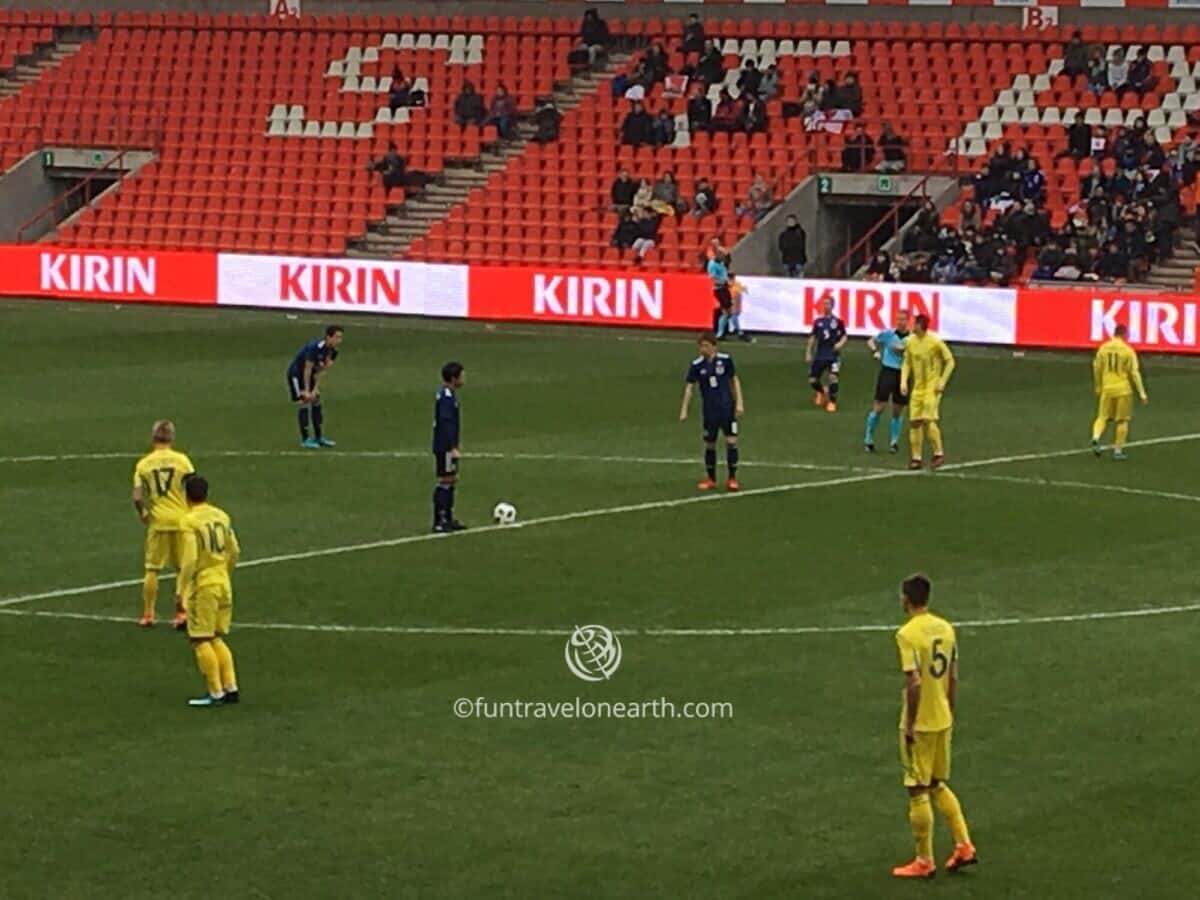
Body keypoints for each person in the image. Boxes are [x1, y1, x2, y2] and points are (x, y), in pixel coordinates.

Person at [890, 573, 977, 879]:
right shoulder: (946, 629)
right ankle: (964, 844)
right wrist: (948, 711)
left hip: (922, 724)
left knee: (917, 789)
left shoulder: (907, 635)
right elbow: (953, 676)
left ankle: (924, 860)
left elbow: (913, 682)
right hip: (943, 719)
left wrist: (911, 723)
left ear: (906, 599)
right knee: (937, 783)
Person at [175, 475, 240, 707]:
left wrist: (181, 589)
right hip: (223, 581)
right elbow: (235, 550)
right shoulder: (222, 516)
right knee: (216, 637)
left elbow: (190, 559)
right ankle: (231, 687)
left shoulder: (189, 521)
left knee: (200, 639)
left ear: (186, 495)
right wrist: (224, 572)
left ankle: (215, 692)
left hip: (204, 585)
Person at [132, 419, 195, 628]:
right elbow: (192, 488)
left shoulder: (143, 464)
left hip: (158, 522)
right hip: (181, 521)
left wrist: (143, 513)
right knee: (181, 568)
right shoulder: (183, 461)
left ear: (153, 438)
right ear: (172, 438)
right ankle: (181, 613)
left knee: (152, 569)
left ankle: (148, 614)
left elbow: (137, 496)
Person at [679, 331, 744, 492]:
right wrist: (684, 409)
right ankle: (711, 478)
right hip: (709, 410)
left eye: (706, 346)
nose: (703, 349)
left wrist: (739, 403)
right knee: (710, 444)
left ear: (714, 346)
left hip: (727, 408)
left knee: (731, 442)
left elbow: (734, 380)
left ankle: (732, 478)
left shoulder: (726, 360)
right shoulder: (696, 365)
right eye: (701, 346)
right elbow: (689, 387)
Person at [900, 314, 955, 470]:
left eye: (914, 323)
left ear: (920, 325)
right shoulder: (911, 342)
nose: (911, 326)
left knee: (928, 419)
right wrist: (903, 381)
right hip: (917, 388)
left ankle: (938, 453)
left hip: (932, 387)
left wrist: (942, 380)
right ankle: (916, 458)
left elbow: (950, 361)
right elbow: (907, 363)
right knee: (914, 422)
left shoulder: (935, 342)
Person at [1091, 323, 1149, 460]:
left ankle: (1095, 437)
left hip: (1107, 388)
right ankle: (1118, 451)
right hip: (1123, 389)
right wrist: (1142, 393)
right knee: (1122, 420)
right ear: (1124, 334)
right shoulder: (1128, 351)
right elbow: (1134, 373)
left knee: (1102, 416)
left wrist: (1098, 385)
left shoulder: (1103, 348)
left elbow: (1096, 368)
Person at [287, 325, 344, 449]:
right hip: (297, 374)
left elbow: (321, 371)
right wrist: (307, 391)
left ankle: (319, 437)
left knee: (316, 399)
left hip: (312, 374)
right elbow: (307, 369)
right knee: (304, 400)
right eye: (337, 337)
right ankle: (305, 439)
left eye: (340, 337)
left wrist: (315, 388)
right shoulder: (315, 348)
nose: (339, 340)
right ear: (328, 337)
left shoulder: (333, 352)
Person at [864, 309, 910, 453]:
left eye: (903, 319)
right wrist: (875, 351)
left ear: (908, 321)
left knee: (897, 410)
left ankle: (894, 442)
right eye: (898, 319)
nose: (900, 322)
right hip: (888, 371)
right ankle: (868, 438)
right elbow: (871, 341)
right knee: (879, 407)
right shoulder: (888, 334)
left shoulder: (912, 339)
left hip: (903, 374)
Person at [433, 361, 467, 533]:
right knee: (445, 481)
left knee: (451, 479)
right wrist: (452, 447)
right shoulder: (446, 397)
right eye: (461, 375)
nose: (464, 378)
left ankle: (448, 516)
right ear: (454, 378)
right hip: (444, 447)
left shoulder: (448, 394)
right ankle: (440, 520)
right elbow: (446, 424)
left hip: (445, 446)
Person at [805, 297, 848, 413]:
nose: (825, 306)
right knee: (813, 380)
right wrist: (808, 352)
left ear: (832, 306)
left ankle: (832, 402)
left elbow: (844, 336)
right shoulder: (818, 322)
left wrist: (840, 344)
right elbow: (813, 337)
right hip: (820, 355)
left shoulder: (838, 322)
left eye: (828, 304)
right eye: (824, 304)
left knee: (833, 378)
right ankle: (822, 392)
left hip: (834, 356)